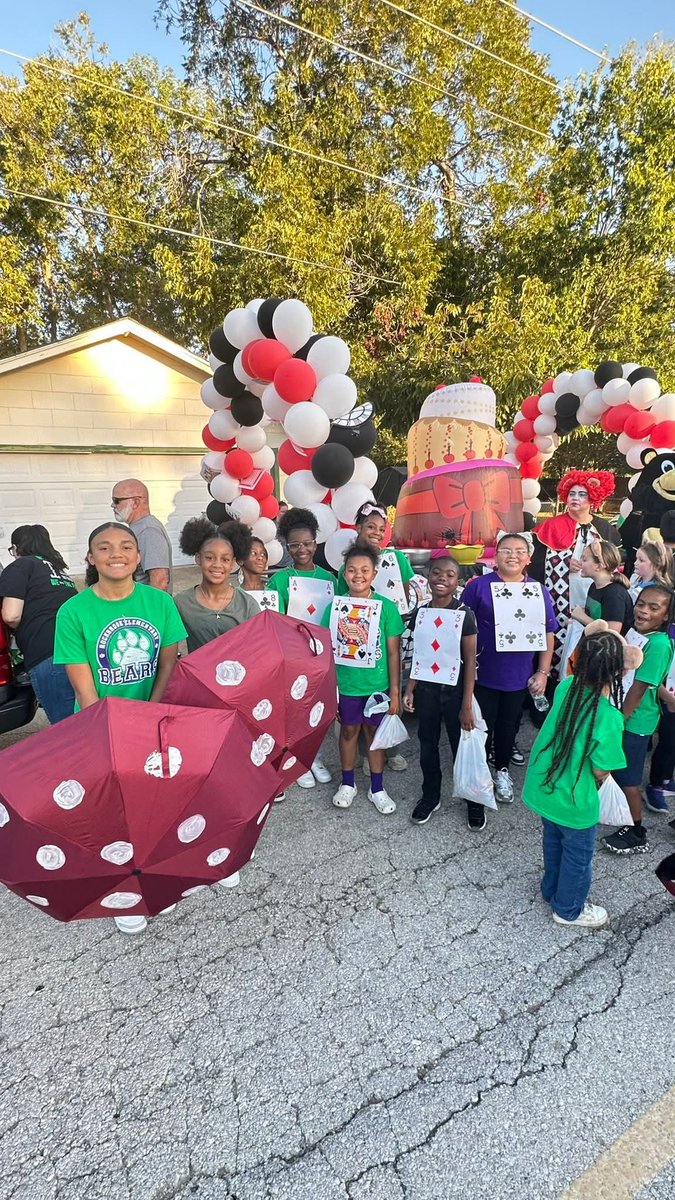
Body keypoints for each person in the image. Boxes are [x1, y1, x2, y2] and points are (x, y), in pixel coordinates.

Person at [53, 522, 187, 934]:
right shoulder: (74, 611)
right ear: (91, 558)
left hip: (153, 719)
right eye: (105, 547)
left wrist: (152, 715)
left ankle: (156, 881)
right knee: (115, 814)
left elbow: (168, 663)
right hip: (100, 724)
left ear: (139, 557)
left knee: (155, 807)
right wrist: (110, 734)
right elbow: (83, 683)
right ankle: (124, 894)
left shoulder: (159, 603)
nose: (117, 553)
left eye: (127, 546)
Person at [522, 629, 630, 929]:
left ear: (578, 659)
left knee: (553, 840)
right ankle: (568, 909)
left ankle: (550, 889)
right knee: (578, 857)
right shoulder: (608, 715)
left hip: (546, 787)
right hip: (575, 798)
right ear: (619, 671)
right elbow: (601, 769)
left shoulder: (566, 685)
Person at [462, 531, 558, 802]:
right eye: (506, 549)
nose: (512, 555)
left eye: (519, 550)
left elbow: (548, 632)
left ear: (528, 558)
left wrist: (542, 671)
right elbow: (462, 627)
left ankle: (501, 770)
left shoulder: (538, 591)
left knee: (508, 726)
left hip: (519, 675)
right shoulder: (477, 587)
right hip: (482, 673)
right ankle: (477, 775)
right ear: (495, 555)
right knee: (482, 726)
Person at [402, 553, 484, 830]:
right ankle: (431, 794)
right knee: (427, 744)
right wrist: (410, 689)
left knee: (461, 746)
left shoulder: (465, 614)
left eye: (449, 575)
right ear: (428, 575)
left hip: (456, 691)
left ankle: (473, 799)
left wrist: (467, 704)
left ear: (457, 581)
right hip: (427, 691)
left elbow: (470, 661)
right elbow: (418, 654)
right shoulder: (421, 612)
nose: (442, 579)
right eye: (437, 573)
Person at [322, 542, 404, 814]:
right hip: (346, 685)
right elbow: (325, 652)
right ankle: (348, 783)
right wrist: (329, 691)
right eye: (352, 570)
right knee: (348, 731)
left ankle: (377, 788)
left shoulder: (387, 608)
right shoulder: (334, 607)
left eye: (365, 570)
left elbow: (394, 653)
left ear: (374, 574)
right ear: (344, 573)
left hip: (376, 686)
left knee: (374, 734)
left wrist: (394, 692)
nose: (358, 575)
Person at [336, 501, 413, 774]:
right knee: (354, 718)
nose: (377, 532)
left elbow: (406, 597)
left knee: (384, 709)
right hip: (353, 650)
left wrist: (393, 624)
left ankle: (389, 751)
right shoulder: (346, 570)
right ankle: (364, 757)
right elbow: (338, 615)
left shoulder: (397, 559)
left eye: (382, 528)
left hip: (388, 634)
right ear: (359, 528)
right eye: (371, 526)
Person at [603, 583, 675, 856]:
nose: (643, 610)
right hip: (621, 711)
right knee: (618, 769)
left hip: (634, 721)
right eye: (641, 603)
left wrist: (620, 719)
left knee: (629, 778)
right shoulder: (637, 632)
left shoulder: (658, 645)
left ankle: (636, 831)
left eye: (653, 608)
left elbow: (640, 687)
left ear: (666, 615)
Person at [267, 506, 335, 790]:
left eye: (307, 543)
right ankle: (297, 759)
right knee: (294, 710)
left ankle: (314, 756)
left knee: (318, 710)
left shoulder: (330, 579)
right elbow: (274, 622)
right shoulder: (279, 580)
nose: (301, 549)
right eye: (294, 545)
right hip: (293, 656)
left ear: (315, 542)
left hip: (322, 655)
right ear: (286, 546)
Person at [531, 470, 618, 677]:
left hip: (594, 593)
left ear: (593, 499)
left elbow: (613, 562)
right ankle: (552, 680)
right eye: (572, 493)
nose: (575, 498)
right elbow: (535, 565)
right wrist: (562, 564)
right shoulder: (550, 526)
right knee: (558, 638)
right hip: (560, 597)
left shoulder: (604, 528)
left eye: (581, 494)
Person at [0, 524, 76, 722]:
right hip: (75, 650)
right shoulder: (60, 571)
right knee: (82, 717)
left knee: (65, 724)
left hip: (46, 653)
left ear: (17, 547)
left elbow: (11, 615)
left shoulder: (21, 565)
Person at [174, 517, 260, 653]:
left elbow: (258, 647)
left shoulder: (248, 605)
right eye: (209, 558)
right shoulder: (182, 603)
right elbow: (166, 641)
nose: (217, 565)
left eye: (225, 559)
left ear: (232, 564)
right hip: (198, 673)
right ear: (198, 558)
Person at [111, 479, 173, 591]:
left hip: (145, 606)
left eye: (116, 500)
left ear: (135, 502)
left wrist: (151, 608)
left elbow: (160, 580)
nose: (112, 505)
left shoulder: (148, 530)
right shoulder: (139, 527)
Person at [570, 540, 634, 635]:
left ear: (599, 566)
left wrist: (582, 617)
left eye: (584, 560)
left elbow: (612, 633)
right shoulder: (594, 586)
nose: (580, 563)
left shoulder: (615, 594)